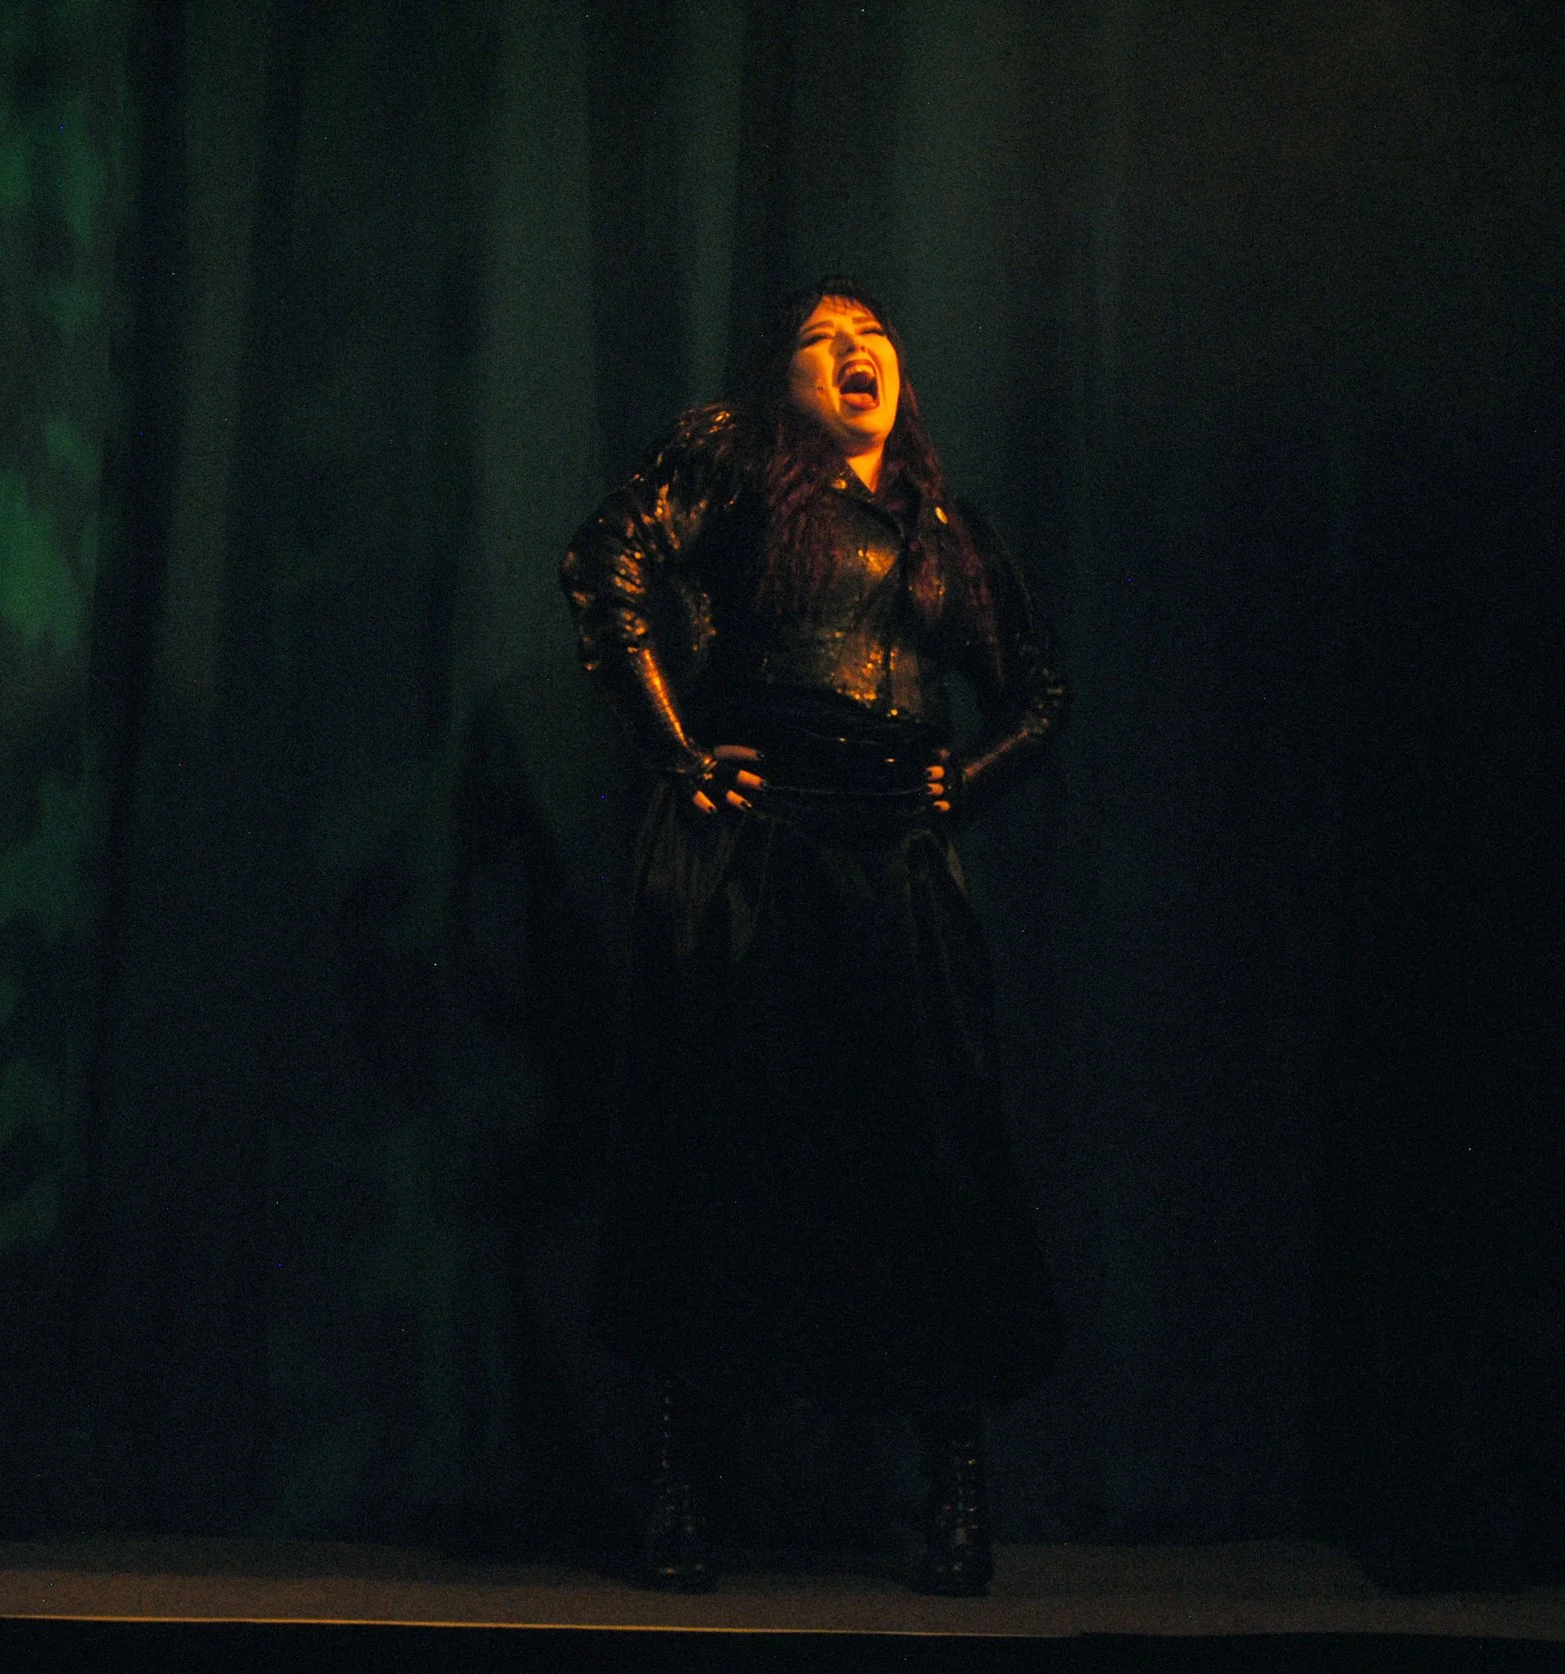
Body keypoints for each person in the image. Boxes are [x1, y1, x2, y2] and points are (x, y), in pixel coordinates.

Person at [559, 280, 1067, 1596]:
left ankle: (957, 1488)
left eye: (872, 335)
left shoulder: (947, 530)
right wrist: (678, 751)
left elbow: (1040, 692)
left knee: (935, 1165)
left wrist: (967, 781)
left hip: (896, 864)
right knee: (723, 1153)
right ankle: (680, 1483)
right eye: (821, 340)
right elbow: (607, 562)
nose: (855, 351)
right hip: (763, 854)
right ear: (780, 383)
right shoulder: (738, 468)